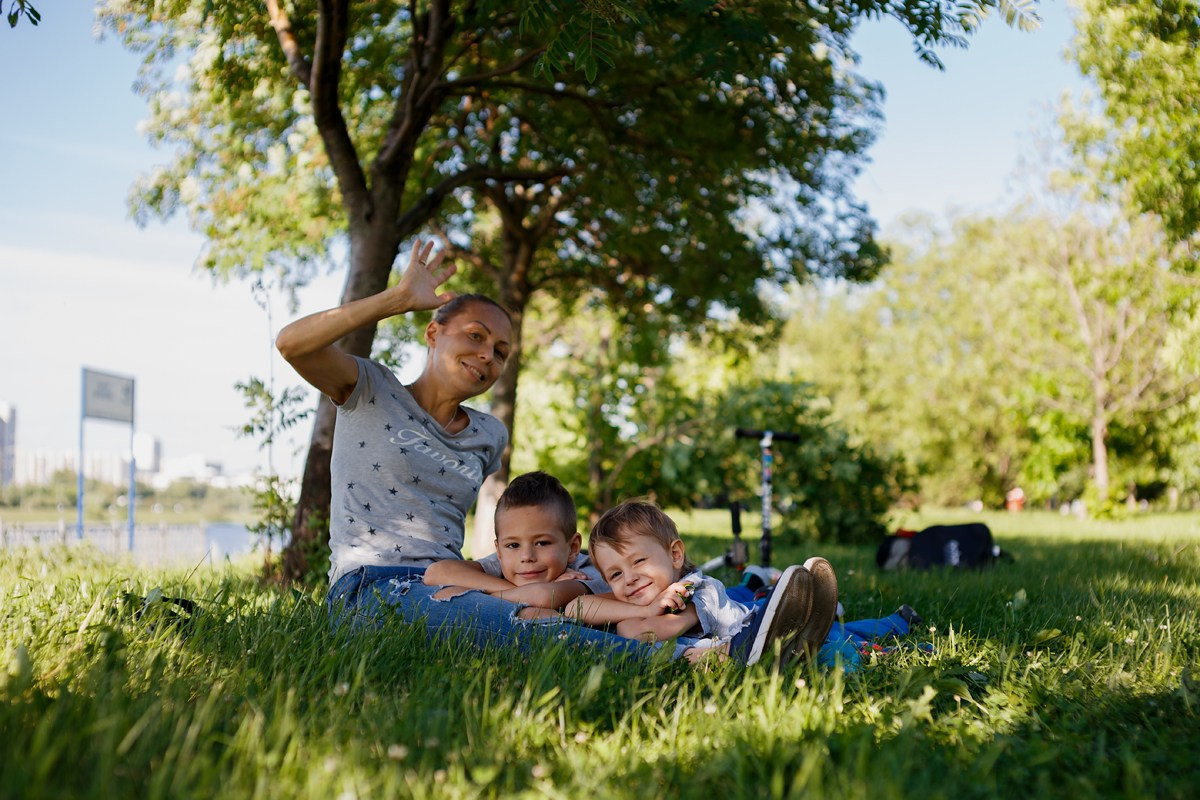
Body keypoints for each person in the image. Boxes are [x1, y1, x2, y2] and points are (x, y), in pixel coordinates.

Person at [542, 500, 840, 666]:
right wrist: (645, 609)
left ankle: (797, 614)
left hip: (746, 631)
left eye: (639, 561)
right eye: (615, 575)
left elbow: (648, 631)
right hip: (721, 651)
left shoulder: (689, 588)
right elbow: (575, 608)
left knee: (835, 641)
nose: (629, 578)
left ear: (674, 554)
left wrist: (645, 614)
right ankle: (791, 635)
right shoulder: (639, 600)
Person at [423, 471, 606, 609]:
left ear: (573, 547)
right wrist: (509, 589)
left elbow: (542, 597)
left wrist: (475, 594)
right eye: (513, 545)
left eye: (542, 543)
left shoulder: (587, 571)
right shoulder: (510, 564)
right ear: (500, 551)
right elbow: (436, 573)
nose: (526, 556)